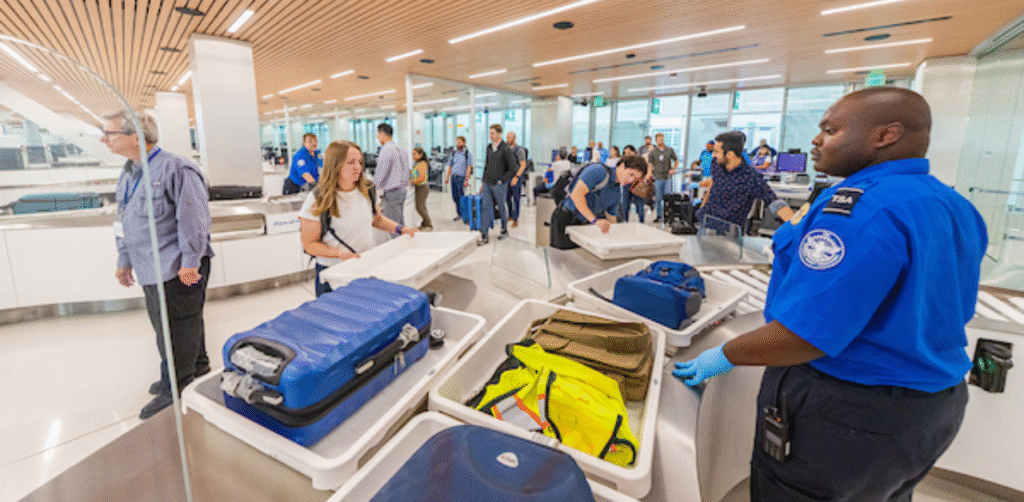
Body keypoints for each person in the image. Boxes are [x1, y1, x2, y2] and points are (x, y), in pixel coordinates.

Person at [674, 87, 987, 502]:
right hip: (929, 410)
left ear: (886, 135)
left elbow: (804, 336)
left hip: (849, 411)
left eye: (831, 129)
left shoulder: (860, 210)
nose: (816, 141)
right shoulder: (952, 204)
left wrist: (723, 355)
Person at [105, 111, 214, 420]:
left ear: (135, 135)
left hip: (178, 266)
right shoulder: (129, 172)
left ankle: (176, 386)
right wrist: (124, 258)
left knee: (175, 326)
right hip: (149, 266)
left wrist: (190, 261)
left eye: (110, 133)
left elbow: (194, 220)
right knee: (174, 323)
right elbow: (123, 219)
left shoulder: (176, 168)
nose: (105, 139)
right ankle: (195, 365)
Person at [300, 141, 416, 297]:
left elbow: (377, 219)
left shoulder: (367, 189)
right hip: (333, 274)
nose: (358, 168)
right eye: (351, 162)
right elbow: (310, 244)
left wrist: (401, 229)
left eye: (360, 162)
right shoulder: (318, 198)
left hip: (364, 266)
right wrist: (339, 254)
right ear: (335, 165)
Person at [695, 131, 793, 231]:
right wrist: (703, 206)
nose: (713, 155)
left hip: (729, 231)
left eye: (716, 152)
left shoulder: (750, 177)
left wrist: (795, 225)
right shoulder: (716, 165)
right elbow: (714, 184)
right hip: (705, 223)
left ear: (730, 154)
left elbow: (773, 201)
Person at [550, 155, 647, 249]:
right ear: (621, 166)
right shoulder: (598, 171)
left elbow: (611, 219)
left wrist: (619, 238)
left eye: (634, 179)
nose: (630, 180)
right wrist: (594, 220)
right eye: (631, 174)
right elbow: (576, 195)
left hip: (585, 225)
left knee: (578, 257)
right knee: (561, 258)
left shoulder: (616, 193)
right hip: (566, 219)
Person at [478, 124, 518, 245]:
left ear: (499, 134)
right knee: (485, 207)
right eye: (490, 133)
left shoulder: (505, 149)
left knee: (501, 207)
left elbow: (513, 168)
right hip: (487, 183)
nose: (491, 135)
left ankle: (504, 229)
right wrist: (482, 181)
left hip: (499, 185)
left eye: (493, 133)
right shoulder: (489, 147)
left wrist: (502, 180)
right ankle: (484, 234)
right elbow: (487, 165)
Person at [372, 123, 409, 230]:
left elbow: (381, 172)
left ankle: (398, 246)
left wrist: (373, 186)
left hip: (392, 192)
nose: (378, 138)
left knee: (392, 226)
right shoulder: (400, 150)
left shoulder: (387, 149)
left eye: (378, 135)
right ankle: (404, 244)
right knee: (400, 223)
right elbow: (406, 170)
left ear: (383, 135)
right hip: (401, 190)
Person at [647, 133, 678, 223]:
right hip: (657, 177)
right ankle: (659, 215)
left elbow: (676, 160)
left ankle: (667, 216)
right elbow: (650, 164)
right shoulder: (653, 152)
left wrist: (673, 169)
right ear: (656, 141)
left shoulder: (669, 150)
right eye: (659, 140)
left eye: (663, 139)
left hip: (667, 178)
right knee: (658, 198)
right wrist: (649, 174)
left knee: (667, 198)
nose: (661, 141)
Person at [445, 136, 473, 222]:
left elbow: (469, 167)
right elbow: (450, 166)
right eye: (457, 142)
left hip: (461, 178)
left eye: (460, 142)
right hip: (453, 177)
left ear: (464, 143)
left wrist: (466, 179)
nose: (458, 144)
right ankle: (459, 214)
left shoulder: (467, 154)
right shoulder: (453, 153)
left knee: (462, 197)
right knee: (455, 197)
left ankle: (464, 215)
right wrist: (447, 177)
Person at [619, 145, 647, 223]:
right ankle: (625, 221)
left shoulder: (640, 160)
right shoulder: (623, 162)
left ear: (634, 152)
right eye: (625, 153)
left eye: (629, 152)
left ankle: (641, 222)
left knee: (639, 205)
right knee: (625, 205)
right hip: (626, 185)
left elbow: (644, 171)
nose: (627, 154)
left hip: (637, 185)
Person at [505, 131, 528, 228]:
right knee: (507, 197)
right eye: (507, 137)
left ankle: (515, 219)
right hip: (507, 177)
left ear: (514, 138)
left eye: (510, 137)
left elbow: (523, 165)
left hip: (516, 177)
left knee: (516, 198)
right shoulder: (506, 149)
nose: (508, 139)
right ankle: (510, 214)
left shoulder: (519, 150)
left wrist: (517, 177)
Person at [411, 147, 433, 231]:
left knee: (419, 207)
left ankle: (428, 223)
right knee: (423, 207)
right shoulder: (417, 163)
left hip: (422, 188)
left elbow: (422, 177)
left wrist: (412, 181)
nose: (413, 156)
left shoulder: (422, 164)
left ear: (420, 155)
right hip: (418, 187)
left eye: (414, 154)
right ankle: (425, 223)